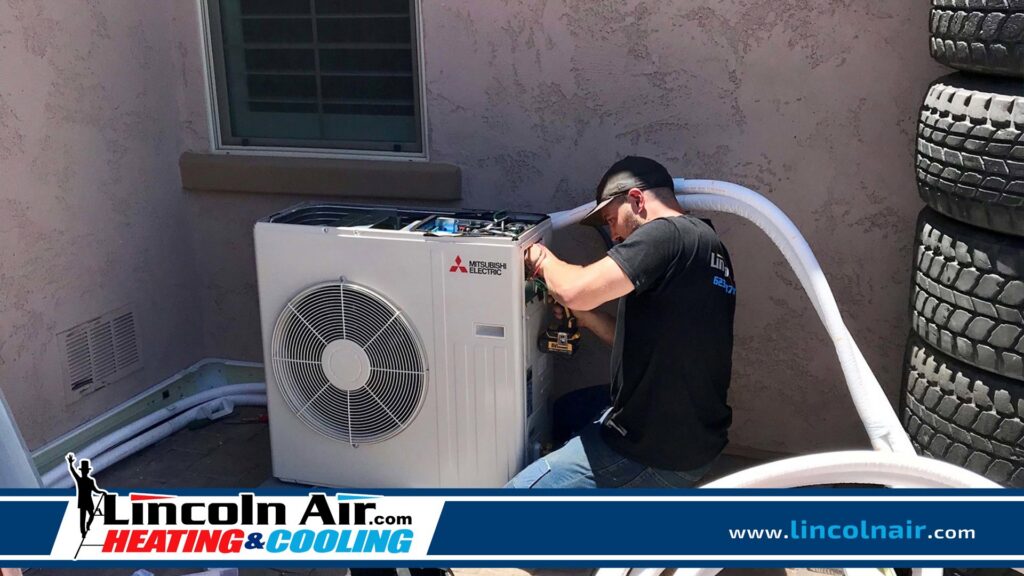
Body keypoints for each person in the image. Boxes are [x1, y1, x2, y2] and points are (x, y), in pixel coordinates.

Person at [507, 156, 736, 489]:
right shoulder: (707, 248)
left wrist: (538, 257)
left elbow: (574, 290)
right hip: (694, 435)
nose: (613, 235)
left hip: (654, 449)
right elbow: (647, 342)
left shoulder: (668, 233)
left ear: (637, 200)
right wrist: (587, 317)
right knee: (567, 411)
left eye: (612, 220)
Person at [66, 453, 108, 538]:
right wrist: (70, 463)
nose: (84, 472)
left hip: (88, 500)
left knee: (91, 515)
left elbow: (95, 490)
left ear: (87, 471)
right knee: (83, 517)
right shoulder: (79, 479)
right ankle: (83, 532)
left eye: (85, 471)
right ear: (82, 471)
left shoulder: (90, 481)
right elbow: (73, 471)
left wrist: (102, 492)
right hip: (82, 501)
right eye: (83, 471)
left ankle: (87, 525)